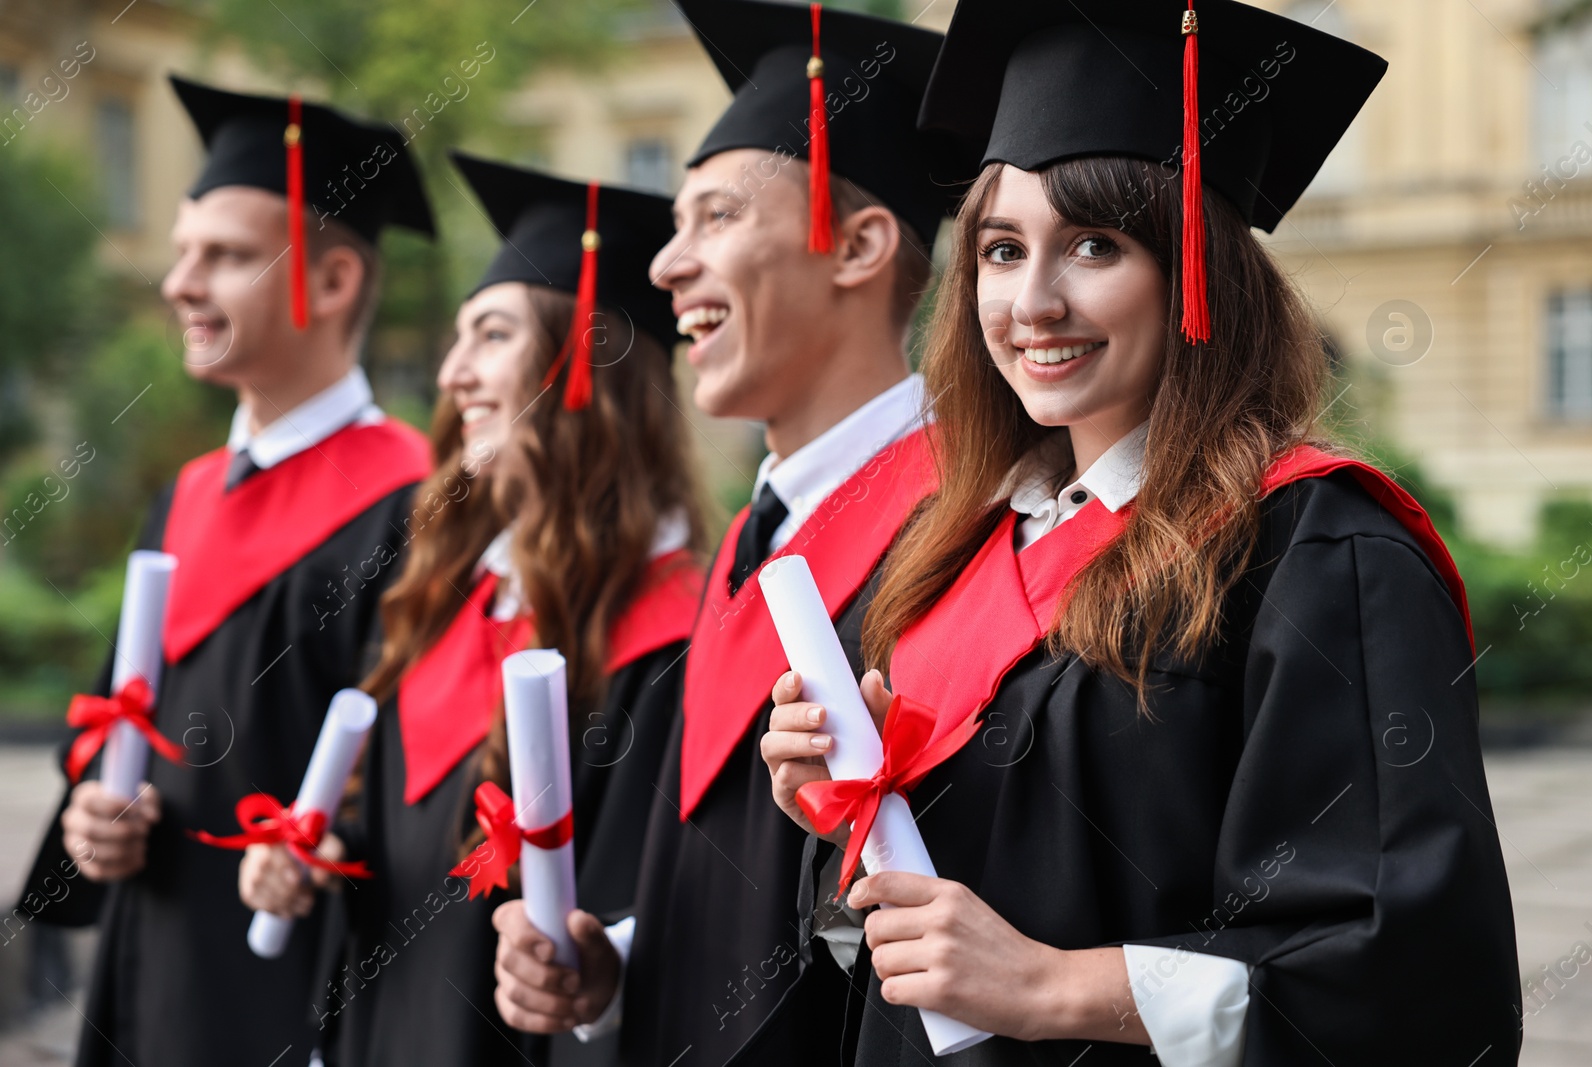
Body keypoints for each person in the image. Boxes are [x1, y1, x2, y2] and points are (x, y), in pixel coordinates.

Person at [760, 2, 1522, 1065]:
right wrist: (834, 803)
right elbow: (915, 928)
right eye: (999, 248)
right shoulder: (955, 549)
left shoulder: (1315, 550)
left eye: (1094, 245)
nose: (1033, 301)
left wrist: (1057, 985)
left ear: (1196, 270)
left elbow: (1405, 967)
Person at [489, 1, 973, 1064]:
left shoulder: (962, 537)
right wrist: (606, 967)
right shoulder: (756, 538)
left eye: (714, 218)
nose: (665, 268)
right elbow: (712, 885)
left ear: (856, 245)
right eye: (675, 225)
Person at [236, 155, 708, 1067]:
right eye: (458, 340)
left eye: (490, 335)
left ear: (582, 366)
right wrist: (313, 859)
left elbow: (640, 933)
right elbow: (397, 849)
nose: (453, 372)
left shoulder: (667, 640)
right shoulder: (442, 600)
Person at [19, 76, 438, 1066]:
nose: (180, 284)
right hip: (148, 969)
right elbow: (114, 710)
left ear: (332, 282)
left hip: (302, 989)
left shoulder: (420, 506)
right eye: (180, 253)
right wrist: (93, 813)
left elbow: (425, 784)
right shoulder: (187, 493)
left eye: (226, 257)